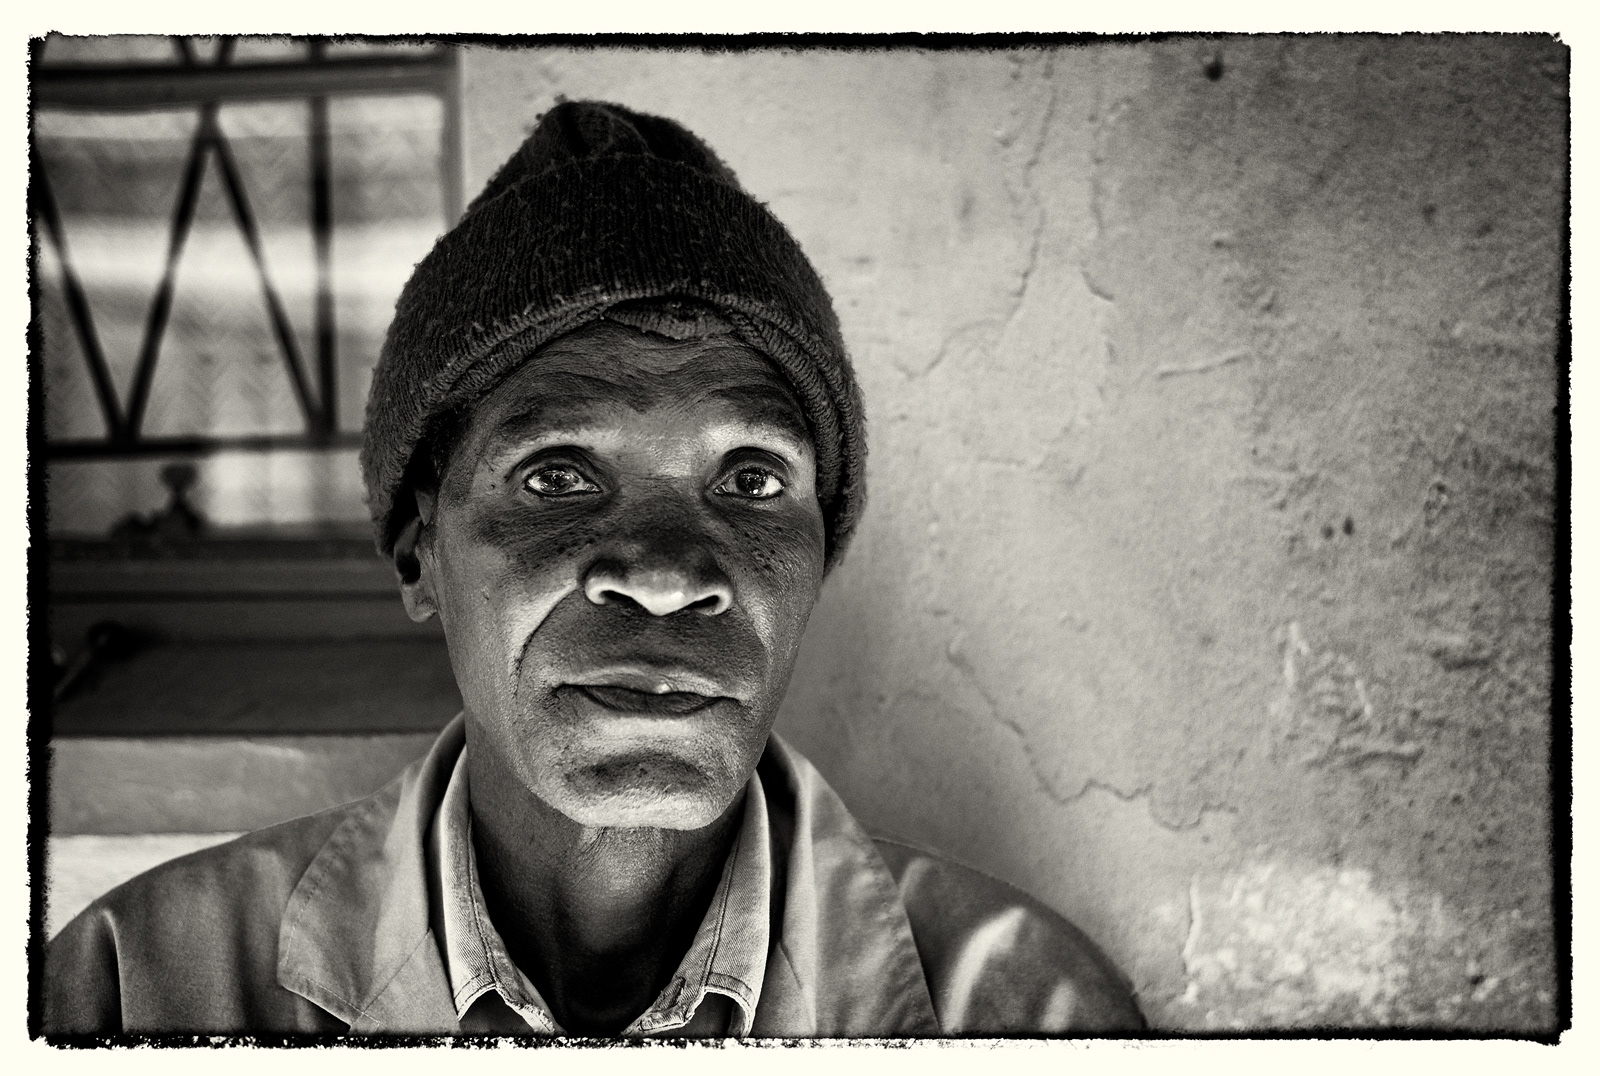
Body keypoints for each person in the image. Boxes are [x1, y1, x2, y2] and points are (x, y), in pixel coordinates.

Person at [42, 101, 1143, 1037]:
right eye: (558, 476)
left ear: (817, 562)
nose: (667, 576)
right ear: (416, 550)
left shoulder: (1024, 1009)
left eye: (752, 481)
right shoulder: (129, 990)